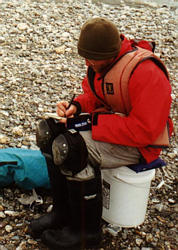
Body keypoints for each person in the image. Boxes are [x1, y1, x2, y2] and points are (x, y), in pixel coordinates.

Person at [29, 17, 173, 249]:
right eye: (85, 57)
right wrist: (77, 106)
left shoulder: (147, 72)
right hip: (114, 127)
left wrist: (95, 123)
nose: (88, 62)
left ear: (111, 52)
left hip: (141, 145)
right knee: (49, 132)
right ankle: (63, 213)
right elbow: (95, 96)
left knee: (72, 150)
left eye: (92, 58)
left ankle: (85, 233)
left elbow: (147, 131)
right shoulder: (100, 63)